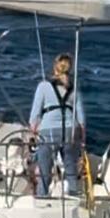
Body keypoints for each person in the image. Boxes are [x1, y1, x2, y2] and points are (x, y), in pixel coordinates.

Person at [29, 53, 86, 196]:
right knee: (71, 169)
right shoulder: (74, 88)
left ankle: (42, 197)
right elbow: (81, 118)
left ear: (55, 67)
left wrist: (33, 131)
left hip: (47, 130)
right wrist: (82, 139)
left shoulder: (43, 86)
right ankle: (74, 196)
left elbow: (35, 115)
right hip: (70, 130)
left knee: (44, 172)